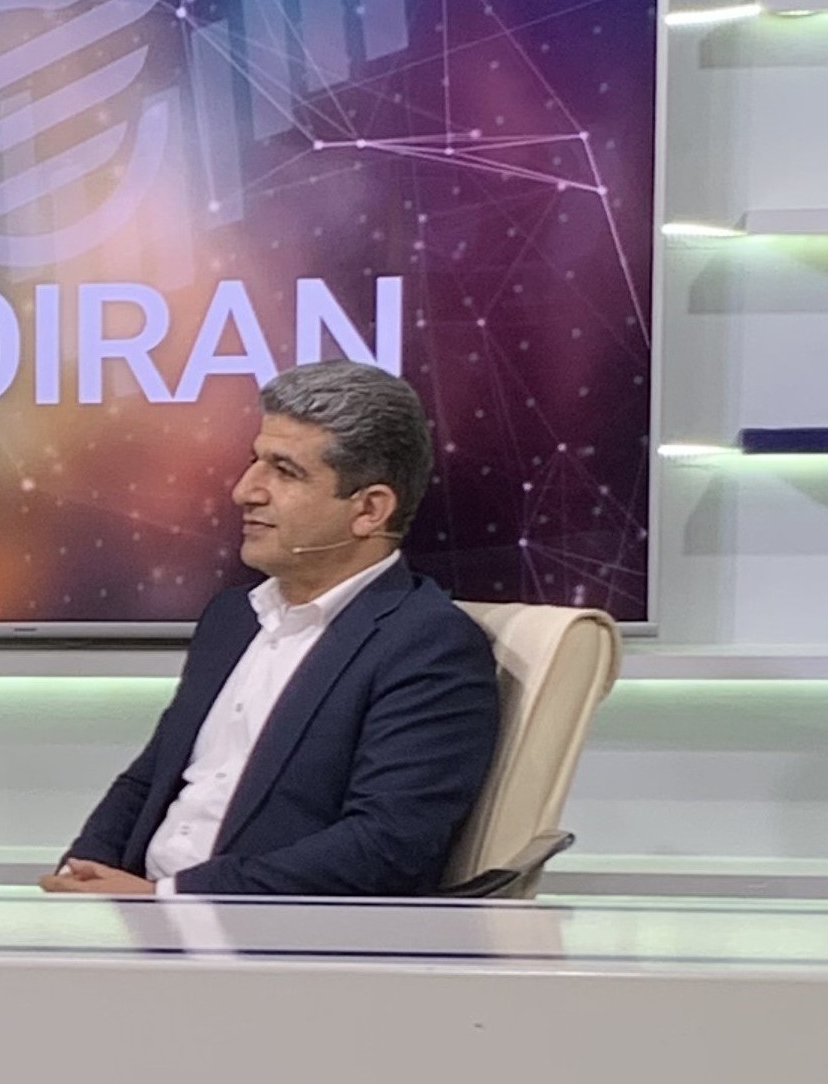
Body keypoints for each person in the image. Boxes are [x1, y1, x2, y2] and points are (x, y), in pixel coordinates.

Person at [44, 360, 500, 898]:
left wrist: (167, 898)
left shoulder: (428, 646)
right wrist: (83, 875)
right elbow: (150, 778)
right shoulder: (232, 618)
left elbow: (385, 846)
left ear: (370, 510)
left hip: (266, 936)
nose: (245, 491)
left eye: (284, 472)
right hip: (140, 919)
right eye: (254, 462)